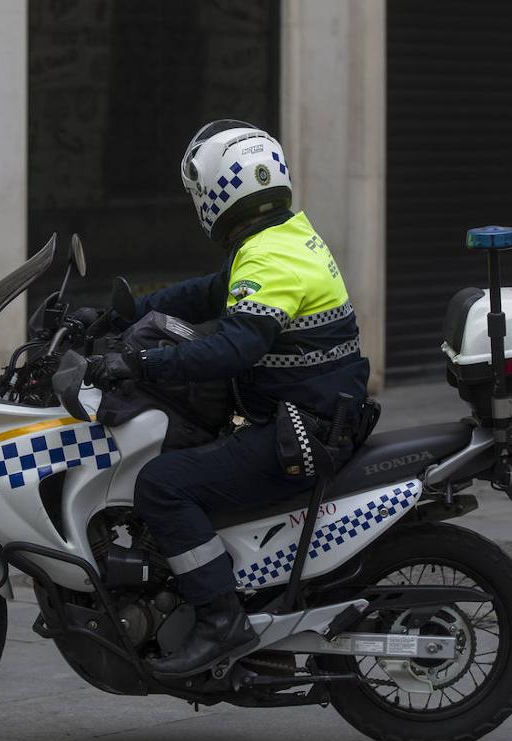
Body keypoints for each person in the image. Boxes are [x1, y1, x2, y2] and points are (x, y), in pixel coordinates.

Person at [85, 119, 370, 677]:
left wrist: (139, 360)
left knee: (163, 485)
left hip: (302, 432)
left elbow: (234, 348)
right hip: (308, 415)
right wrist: (123, 313)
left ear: (215, 191)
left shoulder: (269, 258)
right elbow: (207, 293)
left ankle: (220, 622)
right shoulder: (282, 239)